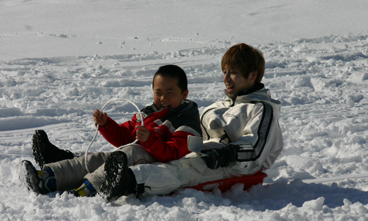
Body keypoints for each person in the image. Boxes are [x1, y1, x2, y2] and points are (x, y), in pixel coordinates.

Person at [100, 43, 284, 202]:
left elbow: (256, 149)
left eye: (233, 73)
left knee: (184, 169)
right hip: (208, 153)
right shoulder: (221, 106)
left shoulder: (261, 108)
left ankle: (130, 181)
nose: (226, 78)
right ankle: (90, 172)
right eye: (225, 72)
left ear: (252, 75)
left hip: (233, 166)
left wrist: (226, 155)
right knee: (166, 157)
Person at [20, 64, 202, 197]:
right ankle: (47, 177)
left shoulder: (187, 122)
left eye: (170, 93)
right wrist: (106, 124)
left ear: (184, 94)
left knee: (131, 152)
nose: (163, 98)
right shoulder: (149, 113)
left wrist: (149, 141)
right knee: (101, 158)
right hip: (132, 157)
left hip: (155, 166)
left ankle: (85, 189)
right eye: (158, 92)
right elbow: (124, 136)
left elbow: (172, 154)